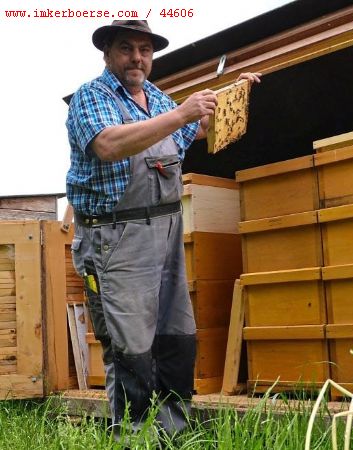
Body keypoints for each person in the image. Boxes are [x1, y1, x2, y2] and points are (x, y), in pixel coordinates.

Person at [66, 20, 260, 436]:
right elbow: (109, 144)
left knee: (177, 338)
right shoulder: (92, 97)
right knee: (130, 348)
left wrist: (233, 94)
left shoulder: (155, 98)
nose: (137, 58)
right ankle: (132, 438)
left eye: (145, 50)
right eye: (126, 48)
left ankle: (173, 434)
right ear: (107, 53)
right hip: (116, 238)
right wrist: (181, 112)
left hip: (167, 233)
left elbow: (195, 128)